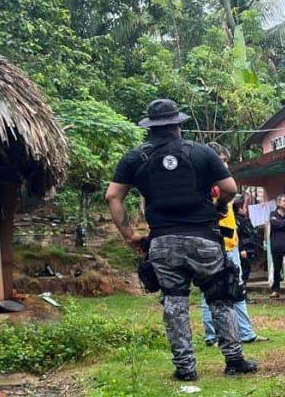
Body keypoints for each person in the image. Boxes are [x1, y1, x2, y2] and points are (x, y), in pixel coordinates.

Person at [105, 98, 258, 380]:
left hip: (163, 241)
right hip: (204, 238)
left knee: (174, 303)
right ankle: (234, 360)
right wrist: (219, 206)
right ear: (177, 125)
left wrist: (130, 235)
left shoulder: (134, 158)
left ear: (150, 127)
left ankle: (186, 368)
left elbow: (113, 196)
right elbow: (229, 188)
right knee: (220, 297)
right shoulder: (201, 153)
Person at [200, 143, 267, 346]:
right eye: (222, 161)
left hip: (231, 244)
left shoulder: (224, 185)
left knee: (237, 288)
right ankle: (213, 336)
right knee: (211, 291)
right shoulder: (206, 185)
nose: (225, 166)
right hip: (215, 245)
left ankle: (245, 333)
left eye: (226, 162)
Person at [235, 195, 258, 284]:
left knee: (246, 271)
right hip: (243, 250)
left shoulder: (245, 219)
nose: (246, 209)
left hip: (249, 249)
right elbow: (236, 236)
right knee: (242, 273)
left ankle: (243, 291)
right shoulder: (236, 219)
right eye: (244, 207)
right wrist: (241, 249)